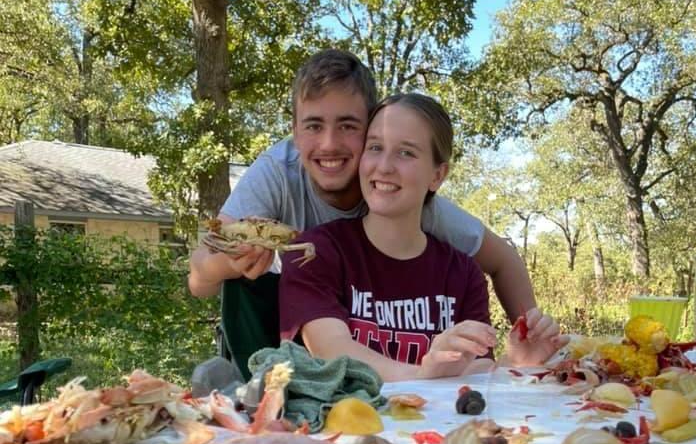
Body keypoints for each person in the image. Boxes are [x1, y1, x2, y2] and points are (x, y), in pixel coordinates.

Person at [188, 49, 538, 325]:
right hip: (289, 327)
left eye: (347, 126)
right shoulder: (276, 174)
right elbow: (199, 278)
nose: (328, 144)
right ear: (294, 132)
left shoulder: (393, 190)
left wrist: (533, 345)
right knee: (246, 285)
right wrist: (231, 266)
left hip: (367, 331)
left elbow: (503, 260)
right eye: (313, 126)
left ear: (371, 128)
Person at [278, 93, 566, 382]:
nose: (385, 166)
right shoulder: (313, 251)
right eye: (375, 147)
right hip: (346, 422)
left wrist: (514, 364)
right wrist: (423, 374)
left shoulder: (463, 274)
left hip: (438, 427)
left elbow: (475, 370)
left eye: (406, 152)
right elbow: (330, 350)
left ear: (437, 176)